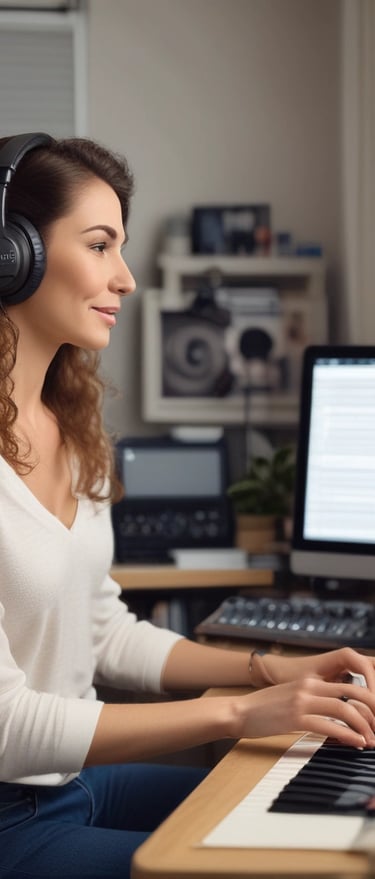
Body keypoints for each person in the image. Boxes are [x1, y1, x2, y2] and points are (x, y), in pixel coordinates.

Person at [0, 132, 375, 879]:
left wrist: (267, 671)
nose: (127, 277)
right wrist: (239, 711)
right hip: (11, 821)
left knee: (326, 825)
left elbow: (103, 631)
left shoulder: (70, 425)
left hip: (75, 786)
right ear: (14, 255)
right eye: (100, 245)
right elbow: (8, 726)